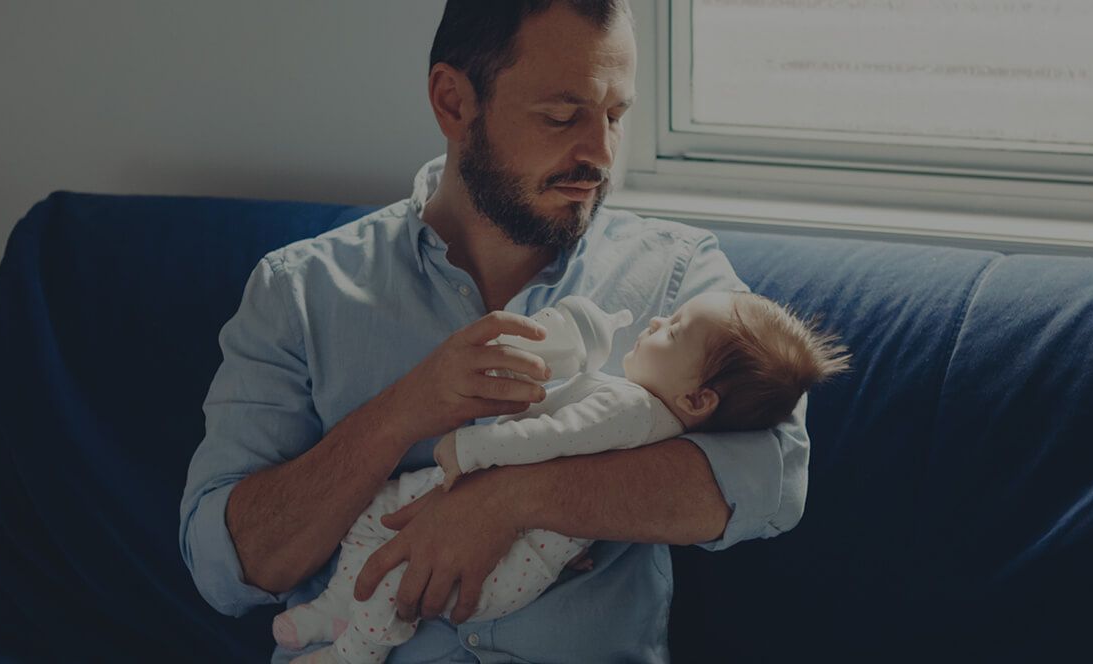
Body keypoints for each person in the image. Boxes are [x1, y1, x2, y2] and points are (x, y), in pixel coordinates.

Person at [180, 2, 819, 661]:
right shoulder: (300, 292)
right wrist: (403, 412)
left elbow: (774, 477)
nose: (599, 153)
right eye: (562, 115)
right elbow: (228, 566)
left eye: (615, 116)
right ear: (453, 102)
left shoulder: (676, 282)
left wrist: (514, 497)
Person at [271, 293, 849, 663]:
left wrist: (472, 447)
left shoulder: (629, 409)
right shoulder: (646, 416)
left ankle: (352, 650)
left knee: (391, 544)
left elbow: (552, 438)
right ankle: (334, 608)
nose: (654, 320)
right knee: (383, 520)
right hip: (529, 560)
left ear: (698, 398)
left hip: (505, 567)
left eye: (671, 330)